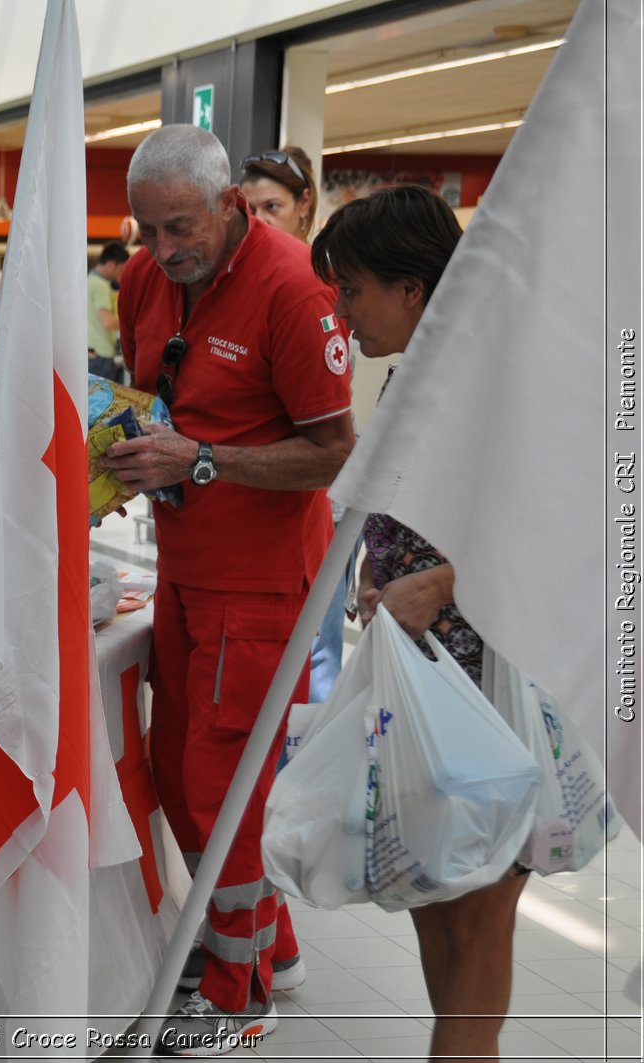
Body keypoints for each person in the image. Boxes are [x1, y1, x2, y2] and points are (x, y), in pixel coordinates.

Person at [102, 125, 354, 1055]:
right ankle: (267, 944)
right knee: (174, 768)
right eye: (147, 230)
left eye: (181, 228)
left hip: (260, 587)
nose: (165, 251)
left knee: (219, 786)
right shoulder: (144, 279)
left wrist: (202, 460)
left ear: (229, 206)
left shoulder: (292, 288)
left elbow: (333, 450)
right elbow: (152, 403)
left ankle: (236, 992)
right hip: (180, 571)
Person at [315, 184, 526, 1063]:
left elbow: (553, 526)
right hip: (424, 681)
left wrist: (436, 583)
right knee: (440, 905)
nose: (342, 310)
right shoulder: (418, 376)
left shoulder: (492, 381)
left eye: (353, 287)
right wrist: (385, 576)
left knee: (476, 919)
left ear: (413, 288)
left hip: (485, 683)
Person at [241, 145, 349, 704]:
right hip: (261, 508)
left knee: (317, 651)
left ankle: (304, 766)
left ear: (305, 205)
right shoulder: (242, 290)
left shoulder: (321, 285)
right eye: (250, 208)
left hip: (323, 493)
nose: (259, 222)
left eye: (273, 207)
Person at [240, 146, 318, 240]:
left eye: (271, 206)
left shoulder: (317, 255)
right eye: (250, 210)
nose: (258, 219)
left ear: (304, 203)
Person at [88, 241, 130, 381]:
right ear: (111, 264)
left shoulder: (89, 280)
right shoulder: (101, 286)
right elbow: (108, 322)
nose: (121, 275)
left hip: (92, 353)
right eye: (121, 269)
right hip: (102, 356)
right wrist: (132, 319)